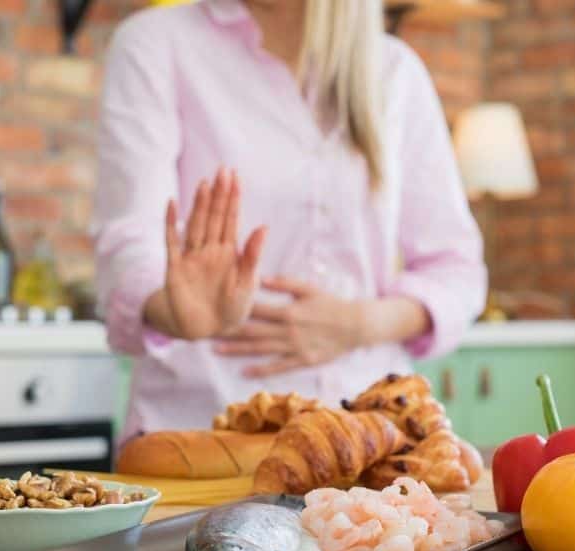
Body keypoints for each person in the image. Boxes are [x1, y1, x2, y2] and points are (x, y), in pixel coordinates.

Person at [91, 0, 486, 442]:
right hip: (203, 439)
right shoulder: (156, 44)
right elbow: (129, 243)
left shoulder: (395, 72)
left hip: (368, 442)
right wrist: (175, 313)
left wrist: (360, 325)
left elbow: (456, 271)